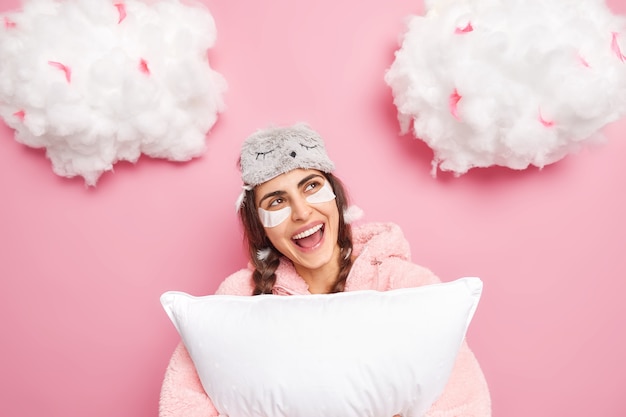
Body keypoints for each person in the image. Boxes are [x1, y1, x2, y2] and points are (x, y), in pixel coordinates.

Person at [159, 123, 491, 416]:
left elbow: (462, 399)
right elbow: (186, 399)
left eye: (311, 186)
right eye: (277, 201)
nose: (302, 212)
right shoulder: (239, 297)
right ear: (260, 225)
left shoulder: (406, 286)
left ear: (335, 197)